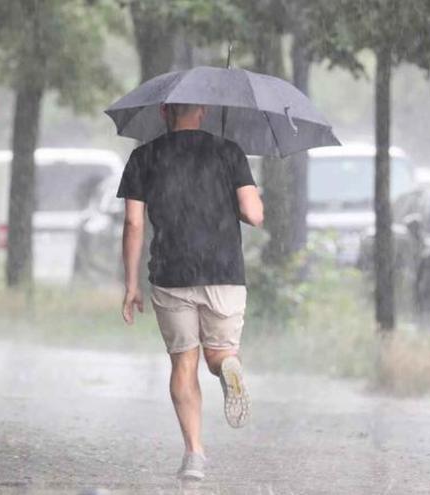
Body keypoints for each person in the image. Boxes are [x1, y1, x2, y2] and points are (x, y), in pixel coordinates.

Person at [116, 102, 264, 481]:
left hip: (171, 272)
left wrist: (131, 284)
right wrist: (239, 194)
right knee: (220, 354)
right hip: (224, 272)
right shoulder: (229, 151)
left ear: (165, 112)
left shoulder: (143, 157)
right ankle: (228, 368)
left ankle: (194, 455)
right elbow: (254, 214)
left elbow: (134, 223)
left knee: (184, 362)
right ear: (203, 111)